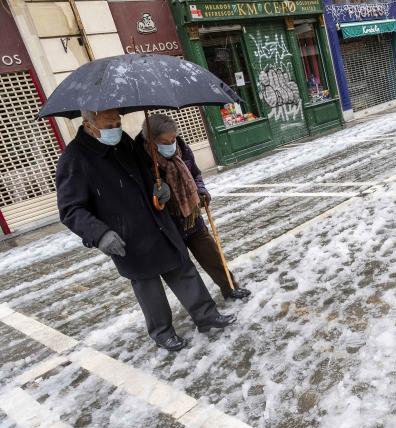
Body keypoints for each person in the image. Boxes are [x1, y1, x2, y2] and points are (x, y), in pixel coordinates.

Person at [56, 109, 236, 352]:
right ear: (89, 124)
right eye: (109, 123)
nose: (116, 127)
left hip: (159, 222)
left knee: (183, 271)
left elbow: (146, 172)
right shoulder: (75, 158)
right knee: (148, 288)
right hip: (126, 236)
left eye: (117, 121)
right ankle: (162, 333)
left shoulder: (125, 142)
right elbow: (70, 209)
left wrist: (157, 189)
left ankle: (207, 316)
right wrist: (99, 234)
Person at [135, 113, 251, 302]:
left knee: (212, 256)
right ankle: (203, 309)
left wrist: (201, 190)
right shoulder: (140, 159)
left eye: (173, 138)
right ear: (151, 140)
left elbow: (195, 174)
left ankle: (230, 288)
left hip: (192, 217)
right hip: (168, 225)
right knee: (184, 272)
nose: (172, 144)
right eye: (166, 141)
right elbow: (137, 194)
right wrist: (154, 192)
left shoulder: (181, 148)